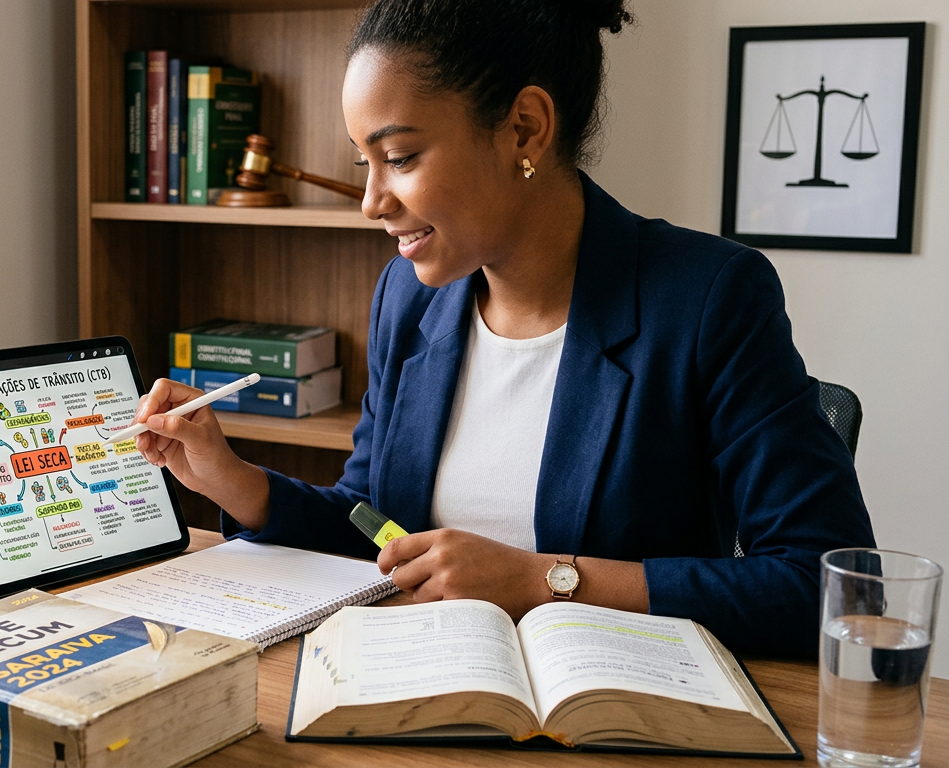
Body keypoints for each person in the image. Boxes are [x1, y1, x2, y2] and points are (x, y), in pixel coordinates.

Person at [131, 0, 875, 657]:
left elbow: (826, 585)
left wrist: (545, 580)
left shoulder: (708, 296)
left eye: (399, 158)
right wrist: (234, 481)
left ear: (524, 128)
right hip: (426, 688)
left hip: (615, 713)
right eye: (365, 163)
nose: (371, 202)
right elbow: (374, 526)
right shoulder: (407, 297)